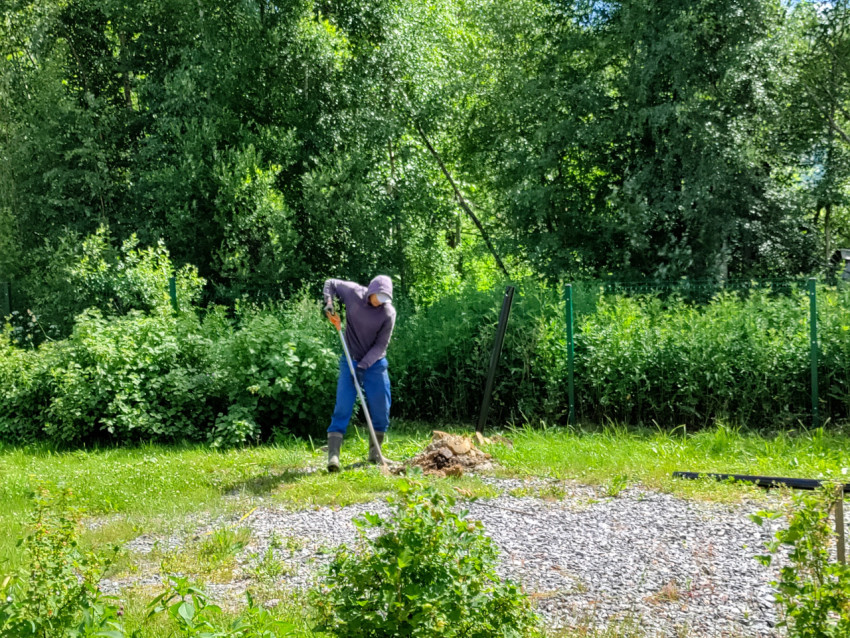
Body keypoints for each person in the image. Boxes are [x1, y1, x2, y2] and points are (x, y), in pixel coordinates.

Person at [322, 275, 396, 472]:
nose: (380, 302)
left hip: (375, 364)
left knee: (382, 407)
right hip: (350, 359)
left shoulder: (388, 313)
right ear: (371, 291)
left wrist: (363, 367)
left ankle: (375, 453)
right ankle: (333, 457)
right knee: (343, 406)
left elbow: (381, 345)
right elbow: (331, 283)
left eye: (385, 298)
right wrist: (329, 302)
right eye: (378, 297)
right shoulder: (354, 293)